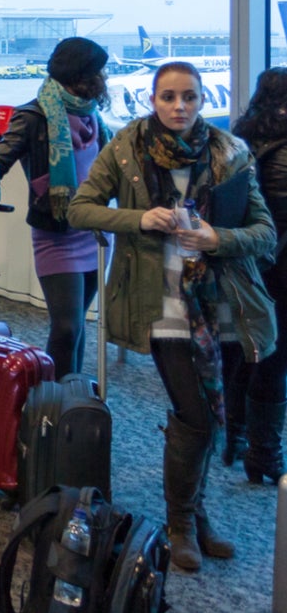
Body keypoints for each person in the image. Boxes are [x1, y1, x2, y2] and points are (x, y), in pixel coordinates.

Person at [71, 61, 277, 572]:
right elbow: (80, 208)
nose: (178, 107)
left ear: (203, 99)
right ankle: (182, 522)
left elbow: (265, 233)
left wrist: (217, 238)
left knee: (207, 414)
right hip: (156, 302)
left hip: (218, 301)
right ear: (152, 100)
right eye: (168, 97)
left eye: (188, 97)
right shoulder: (125, 148)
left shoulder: (230, 152)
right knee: (197, 414)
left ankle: (195, 515)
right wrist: (137, 218)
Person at [0, 37, 112, 379]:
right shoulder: (34, 115)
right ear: (82, 74)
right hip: (57, 234)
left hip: (93, 230)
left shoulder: (92, 115)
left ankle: (70, 394)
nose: (103, 77)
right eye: (98, 71)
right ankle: (56, 403)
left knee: (77, 327)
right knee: (66, 325)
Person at [230, 68, 287, 484]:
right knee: (274, 361)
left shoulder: (241, 136)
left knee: (243, 352)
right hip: (282, 264)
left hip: (248, 258)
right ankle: (265, 454)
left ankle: (235, 436)